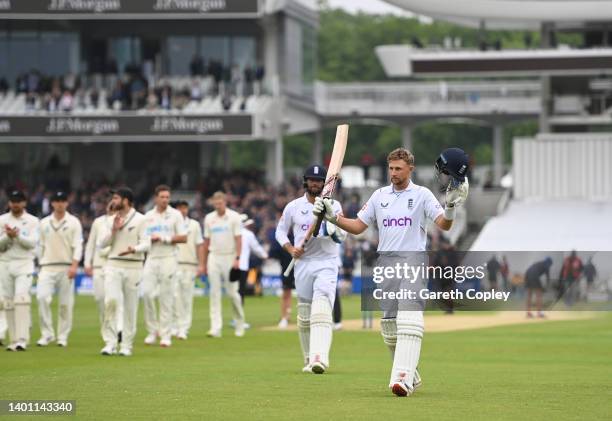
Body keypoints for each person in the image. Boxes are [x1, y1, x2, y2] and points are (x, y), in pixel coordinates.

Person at [313, 147, 469, 396]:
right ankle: (412, 373)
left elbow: (444, 224)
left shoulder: (421, 195)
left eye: (398, 169)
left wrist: (450, 207)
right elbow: (357, 227)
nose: (394, 173)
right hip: (386, 263)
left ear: (410, 169)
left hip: (413, 260)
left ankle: (402, 379)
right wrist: (334, 217)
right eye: (391, 168)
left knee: (409, 318)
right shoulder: (379, 196)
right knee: (389, 327)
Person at [276, 164, 347, 374]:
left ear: (325, 183)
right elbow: (280, 232)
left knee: (322, 306)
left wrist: (328, 217)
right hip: (303, 263)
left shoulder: (334, 205)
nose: (315, 183)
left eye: (319, 180)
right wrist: (290, 248)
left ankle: (320, 357)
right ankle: (308, 358)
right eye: (312, 179)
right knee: (305, 313)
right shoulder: (293, 207)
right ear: (305, 181)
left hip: (327, 262)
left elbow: (340, 236)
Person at [98, 187, 150, 356]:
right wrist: (114, 230)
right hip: (113, 264)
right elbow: (102, 244)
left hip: (133, 265)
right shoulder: (112, 219)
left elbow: (147, 244)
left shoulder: (141, 219)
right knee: (111, 302)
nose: (113, 201)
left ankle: (126, 345)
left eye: (116, 198)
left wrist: (133, 249)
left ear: (126, 200)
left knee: (130, 306)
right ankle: (110, 343)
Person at [36, 191, 83, 348]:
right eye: (57, 201)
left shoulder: (74, 222)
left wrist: (74, 265)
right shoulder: (44, 223)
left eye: (63, 200)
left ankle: (62, 336)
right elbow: (39, 246)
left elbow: (78, 245)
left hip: (66, 267)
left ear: (67, 203)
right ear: (52, 203)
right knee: (42, 298)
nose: (60, 204)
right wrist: (40, 263)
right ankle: (47, 334)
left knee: (65, 304)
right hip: (47, 267)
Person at [142, 185, 187, 347]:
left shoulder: (175, 215)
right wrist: (149, 240)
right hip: (152, 258)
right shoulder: (147, 216)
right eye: (162, 197)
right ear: (156, 198)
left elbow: (183, 238)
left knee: (166, 296)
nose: (165, 200)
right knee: (147, 294)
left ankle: (165, 334)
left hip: (169, 257)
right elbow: (142, 238)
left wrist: (164, 238)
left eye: (167, 197)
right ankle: (152, 330)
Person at [0, 190, 40, 351]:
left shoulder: (33, 221)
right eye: (12, 201)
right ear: (9, 203)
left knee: (21, 299)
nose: (15, 204)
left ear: (24, 203)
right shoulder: (2, 220)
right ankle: (13, 339)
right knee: (8, 302)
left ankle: (22, 340)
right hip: (5, 263)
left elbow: (32, 243)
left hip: (24, 263)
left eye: (18, 201)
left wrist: (16, 236)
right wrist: (7, 237)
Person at [202, 191, 245, 338]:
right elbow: (206, 242)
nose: (218, 206)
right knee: (214, 293)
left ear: (225, 202)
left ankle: (239, 324)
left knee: (233, 293)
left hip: (230, 256)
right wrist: (202, 263)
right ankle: (215, 328)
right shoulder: (209, 218)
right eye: (216, 203)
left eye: (220, 203)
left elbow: (239, 239)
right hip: (214, 256)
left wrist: (237, 259)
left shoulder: (234, 217)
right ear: (213, 203)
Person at [173, 200, 204, 340]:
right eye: (180, 208)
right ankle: (174, 326)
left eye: (185, 208)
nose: (182, 211)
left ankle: (184, 328)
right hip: (174, 263)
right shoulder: (172, 224)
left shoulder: (194, 225)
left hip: (190, 264)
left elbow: (200, 245)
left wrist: (201, 264)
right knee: (174, 297)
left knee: (186, 298)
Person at [84, 201, 116, 331]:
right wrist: (87, 263)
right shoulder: (98, 222)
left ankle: (116, 328)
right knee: (100, 298)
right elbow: (91, 243)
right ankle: (106, 327)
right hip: (98, 265)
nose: (112, 207)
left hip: (114, 263)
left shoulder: (124, 221)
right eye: (110, 204)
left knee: (113, 300)